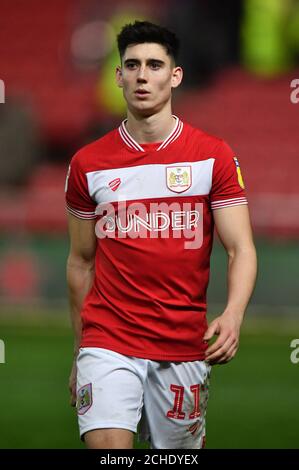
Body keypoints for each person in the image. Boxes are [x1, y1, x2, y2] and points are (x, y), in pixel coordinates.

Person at [65, 20, 257, 449]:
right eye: (131, 65)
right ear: (118, 76)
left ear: (175, 76)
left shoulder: (213, 157)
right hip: (108, 340)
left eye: (154, 65)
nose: (141, 75)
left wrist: (234, 313)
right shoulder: (87, 164)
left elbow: (240, 247)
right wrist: (81, 349)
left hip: (184, 344)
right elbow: (80, 261)